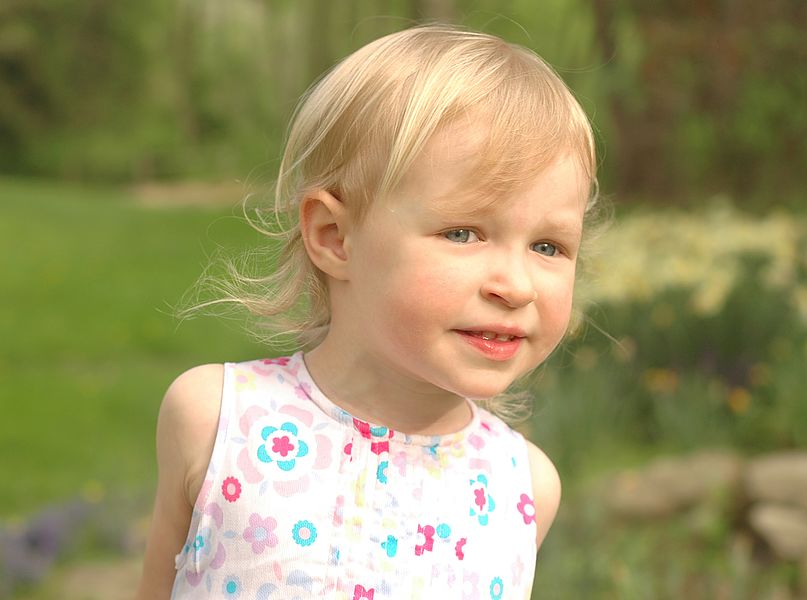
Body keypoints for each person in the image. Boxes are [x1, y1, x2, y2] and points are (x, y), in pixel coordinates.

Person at [136, 22, 600, 599]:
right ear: (335, 237)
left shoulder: (524, 486)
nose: (516, 285)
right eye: (463, 233)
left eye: (548, 246)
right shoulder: (218, 421)